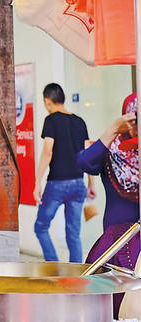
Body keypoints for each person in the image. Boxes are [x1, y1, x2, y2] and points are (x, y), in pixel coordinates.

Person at [78, 93, 139, 319]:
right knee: (112, 304)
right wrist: (112, 129)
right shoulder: (112, 150)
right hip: (117, 244)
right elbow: (84, 162)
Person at [33, 83, 92, 262]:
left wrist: (37, 182)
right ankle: (78, 277)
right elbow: (88, 153)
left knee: (41, 227)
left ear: (47, 101)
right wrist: (91, 183)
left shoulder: (51, 120)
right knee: (73, 234)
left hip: (57, 184)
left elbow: (47, 151)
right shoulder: (79, 121)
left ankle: (53, 266)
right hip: (78, 183)